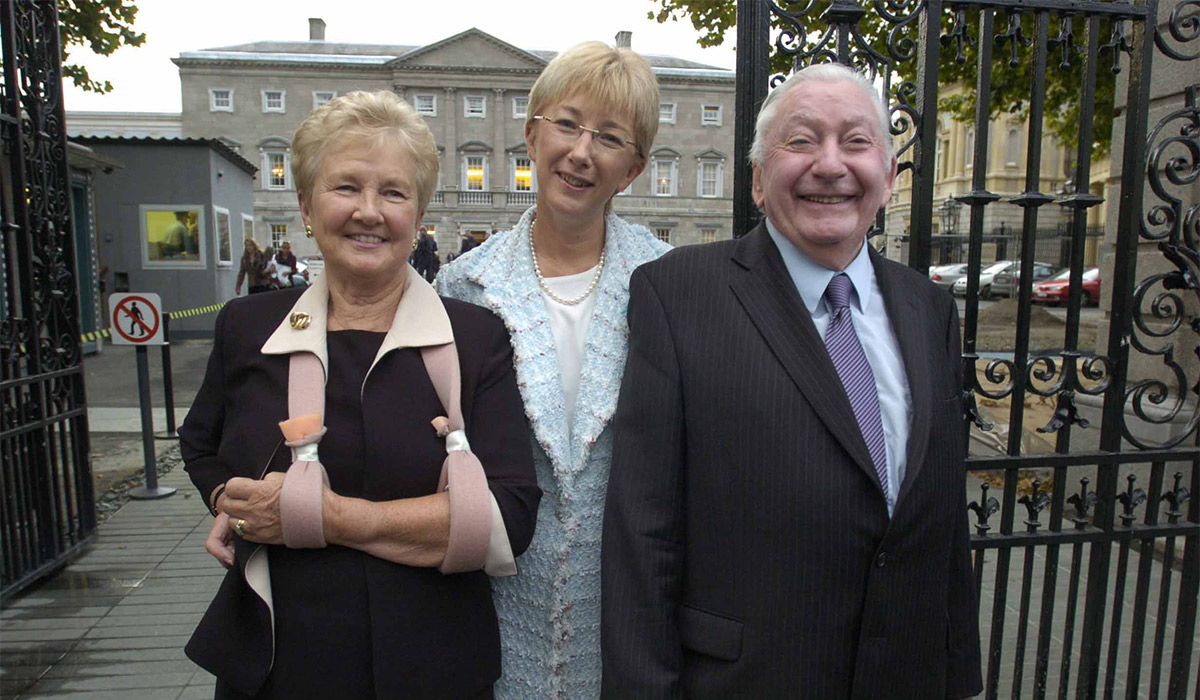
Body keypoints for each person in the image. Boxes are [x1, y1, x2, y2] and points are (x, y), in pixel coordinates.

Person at [600, 63, 983, 699]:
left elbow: (942, 516)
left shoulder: (929, 309)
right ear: (756, 179)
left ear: (888, 178)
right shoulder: (678, 293)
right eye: (801, 141)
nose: (830, 165)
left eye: (857, 142)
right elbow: (643, 532)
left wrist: (958, 677)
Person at [180, 90, 542, 700]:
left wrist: (324, 518)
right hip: (278, 662)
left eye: (394, 193)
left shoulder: (474, 339)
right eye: (346, 187)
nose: (369, 212)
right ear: (305, 204)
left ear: (418, 211)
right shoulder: (248, 326)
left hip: (435, 665)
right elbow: (199, 445)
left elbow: (508, 515)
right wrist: (229, 499)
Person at [438, 41, 668, 698]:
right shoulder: (463, 286)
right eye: (567, 124)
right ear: (532, 135)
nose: (582, 152)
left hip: (623, 613)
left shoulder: (667, 284)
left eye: (610, 137)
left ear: (633, 168)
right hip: (493, 607)